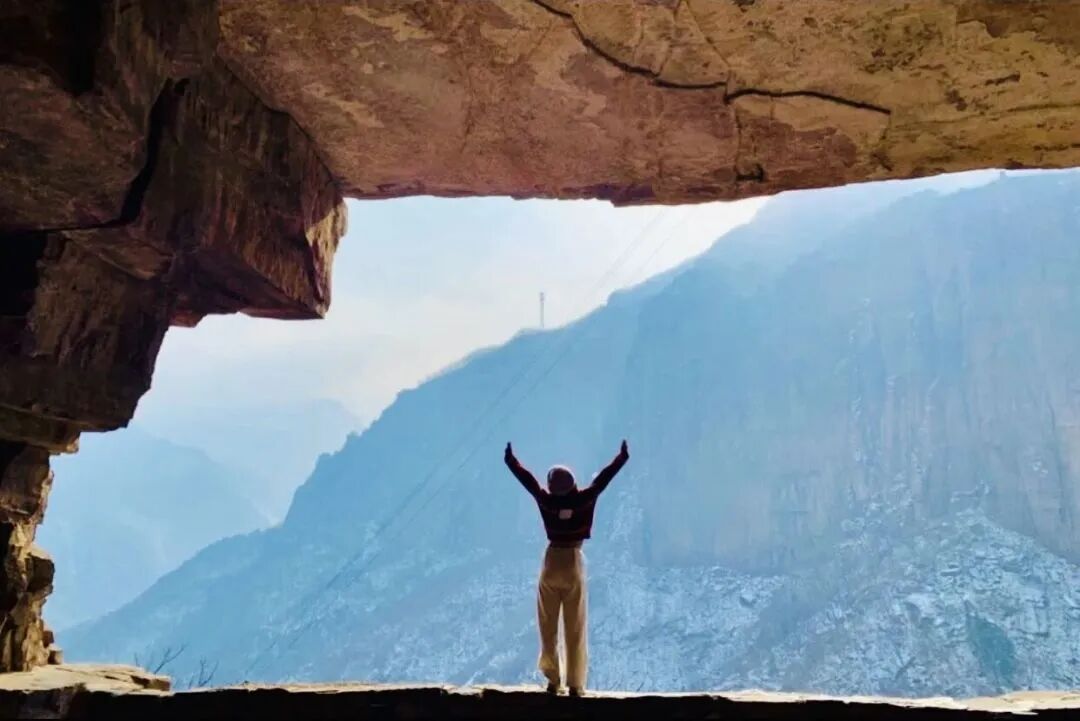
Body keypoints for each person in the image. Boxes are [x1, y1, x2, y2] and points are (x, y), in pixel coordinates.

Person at [503, 439, 630, 696]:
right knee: (575, 626)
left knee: (547, 624)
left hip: (551, 562)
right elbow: (602, 481)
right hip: (573, 560)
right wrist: (621, 458)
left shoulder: (546, 501)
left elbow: (529, 483)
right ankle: (575, 684)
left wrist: (511, 462)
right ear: (573, 484)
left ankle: (553, 680)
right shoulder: (584, 499)